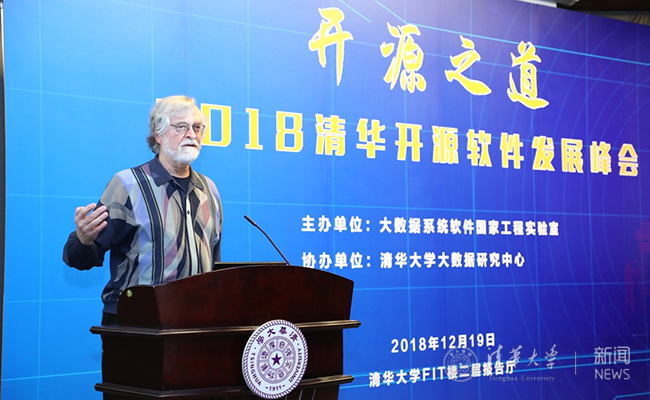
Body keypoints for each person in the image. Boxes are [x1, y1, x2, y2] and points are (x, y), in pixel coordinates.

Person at [63, 95, 222, 325]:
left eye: (197, 127)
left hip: (196, 323)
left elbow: (214, 264)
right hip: (136, 323)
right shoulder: (127, 185)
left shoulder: (209, 191)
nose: (191, 134)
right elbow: (81, 259)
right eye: (181, 127)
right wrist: (83, 239)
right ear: (158, 134)